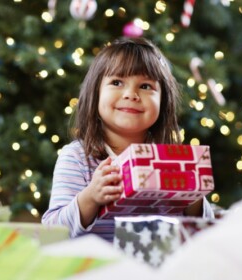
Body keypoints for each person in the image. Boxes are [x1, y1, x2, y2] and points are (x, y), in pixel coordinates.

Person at [41, 37, 214, 242]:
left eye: (146, 86)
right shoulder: (78, 157)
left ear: (163, 101)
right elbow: (52, 232)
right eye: (116, 82)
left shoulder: (170, 160)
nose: (131, 94)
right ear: (95, 94)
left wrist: (193, 197)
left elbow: (206, 235)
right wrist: (90, 198)